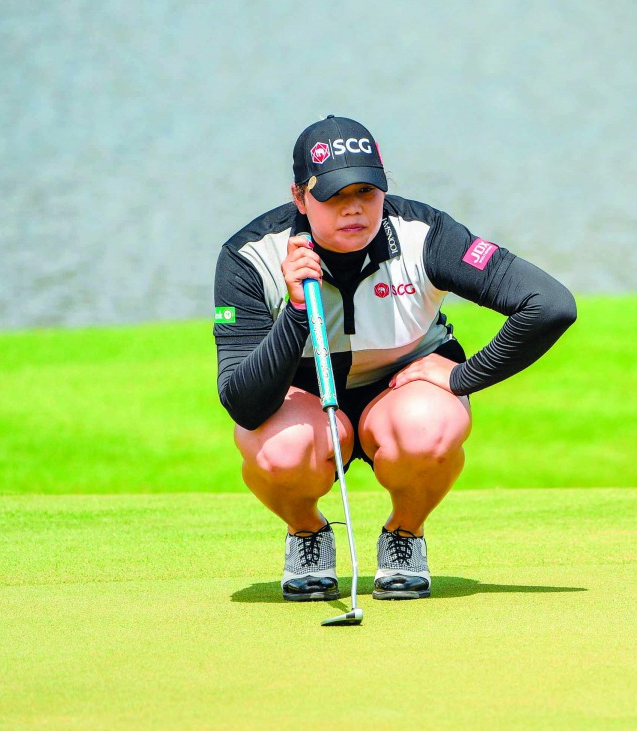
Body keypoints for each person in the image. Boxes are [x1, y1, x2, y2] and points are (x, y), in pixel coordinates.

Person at [213, 115, 576, 602]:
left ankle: (404, 536)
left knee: (429, 429)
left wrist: (466, 375)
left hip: (401, 391)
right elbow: (243, 404)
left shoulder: (425, 234)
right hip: (304, 401)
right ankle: (307, 534)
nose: (354, 209)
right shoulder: (250, 255)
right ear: (299, 198)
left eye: (367, 192)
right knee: (278, 451)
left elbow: (549, 305)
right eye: (335, 196)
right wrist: (298, 309)